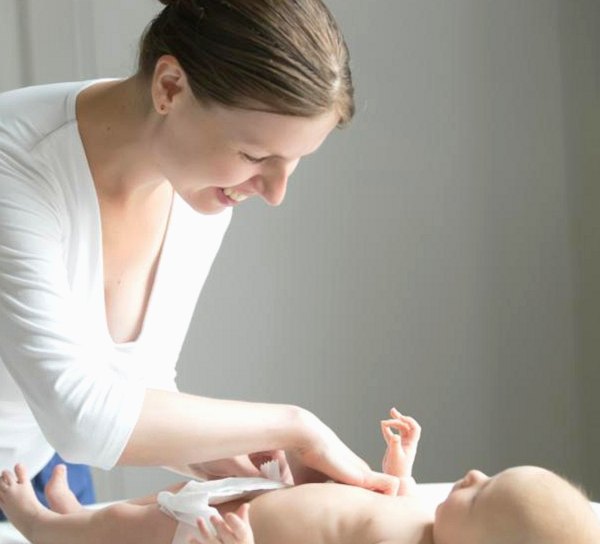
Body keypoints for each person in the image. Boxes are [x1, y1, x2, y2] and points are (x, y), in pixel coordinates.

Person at [0, 0, 397, 514]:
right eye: (255, 156)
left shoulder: (198, 185)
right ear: (170, 88)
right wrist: (294, 427)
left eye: (294, 161)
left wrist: (223, 461)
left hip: (34, 468)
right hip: (52, 446)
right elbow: (82, 418)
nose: (274, 192)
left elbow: (134, 384)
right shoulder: (15, 166)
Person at [1, 409, 599, 544]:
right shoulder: (439, 534)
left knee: (123, 526)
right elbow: (396, 503)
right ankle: (74, 517)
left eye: (483, 492)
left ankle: (40, 525)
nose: (471, 475)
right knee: (145, 504)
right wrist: (401, 466)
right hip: (253, 499)